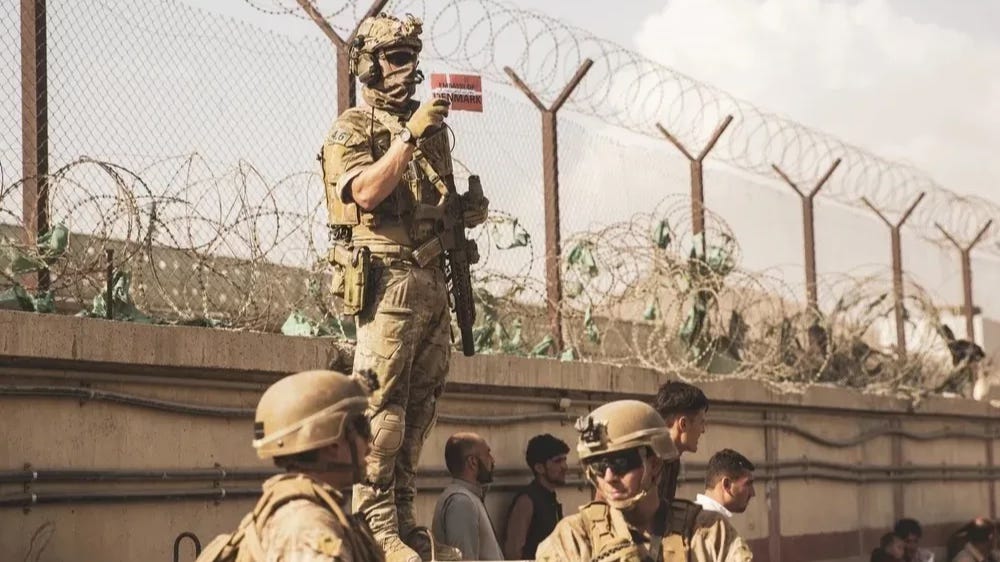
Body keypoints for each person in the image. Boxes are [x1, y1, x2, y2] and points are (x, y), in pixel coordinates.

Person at [320, 11, 489, 562]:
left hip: (431, 280)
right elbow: (365, 193)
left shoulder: (430, 129)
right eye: (395, 57)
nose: (408, 67)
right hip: (387, 281)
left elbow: (431, 204)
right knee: (382, 410)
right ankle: (375, 523)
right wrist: (407, 139)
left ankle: (404, 518)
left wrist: (465, 210)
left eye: (412, 56)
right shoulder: (354, 128)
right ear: (368, 64)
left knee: (420, 409)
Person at [195, 369, 383, 562]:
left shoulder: (309, 515)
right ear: (332, 444)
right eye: (362, 428)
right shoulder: (306, 527)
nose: (369, 445)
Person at [535, 400, 749, 562]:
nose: (609, 477)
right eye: (598, 466)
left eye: (622, 463)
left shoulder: (707, 533)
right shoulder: (574, 537)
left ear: (654, 464)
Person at [431, 433, 503, 560]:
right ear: (473, 462)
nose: (492, 460)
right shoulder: (461, 501)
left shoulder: (468, 498)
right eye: (488, 454)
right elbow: (464, 558)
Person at [502, 434, 569, 560]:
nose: (564, 467)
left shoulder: (550, 498)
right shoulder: (527, 501)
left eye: (564, 460)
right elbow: (513, 553)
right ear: (539, 468)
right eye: (558, 461)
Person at [653, 380, 710, 501]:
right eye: (701, 422)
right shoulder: (649, 461)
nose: (703, 430)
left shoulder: (672, 460)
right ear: (683, 424)